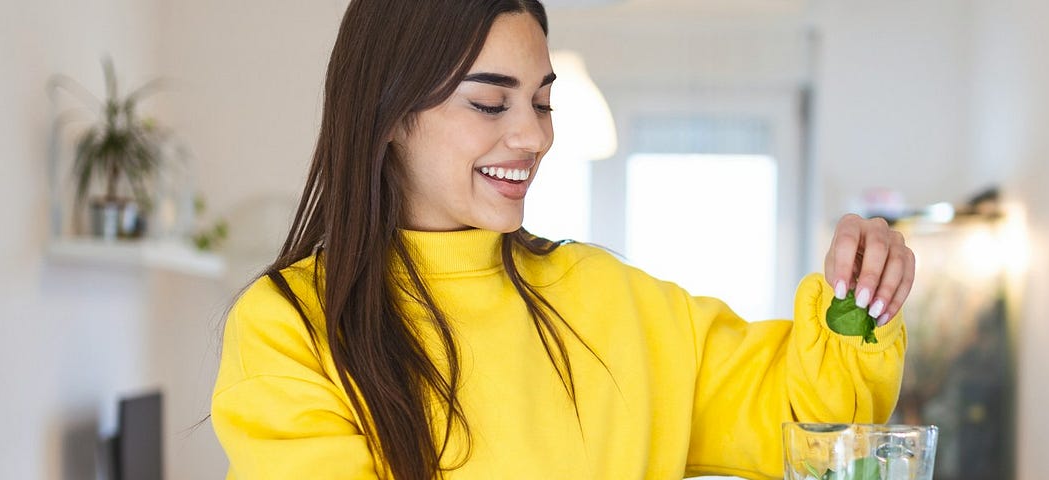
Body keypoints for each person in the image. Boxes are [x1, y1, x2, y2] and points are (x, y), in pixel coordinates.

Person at [209, 1, 916, 478]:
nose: (534, 135)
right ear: (389, 111)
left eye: (543, 101)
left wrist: (859, 296)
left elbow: (816, 432)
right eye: (491, 102)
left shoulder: (616, 301)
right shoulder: (292, 326)